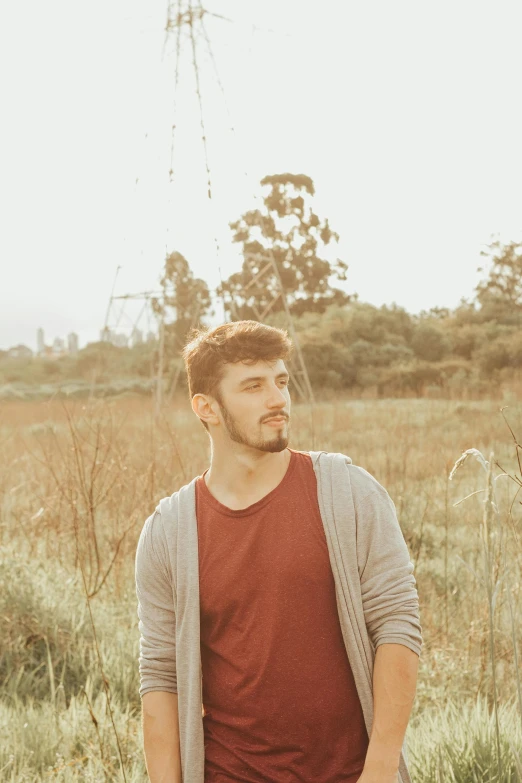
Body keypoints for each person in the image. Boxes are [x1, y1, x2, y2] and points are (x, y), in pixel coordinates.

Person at [135, 320, 422, 783]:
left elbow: (397, 623)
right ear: (205, 407)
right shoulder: (169, 532)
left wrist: (381, 768)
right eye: (253, 386)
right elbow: (161, 676)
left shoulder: (348, 493)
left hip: (351, 773)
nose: (278, 399)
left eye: (281, 382)